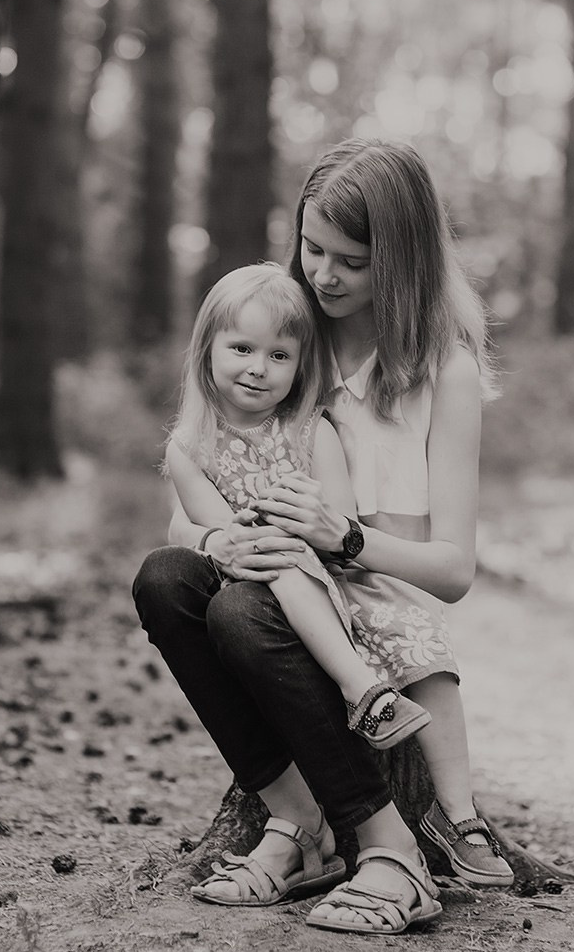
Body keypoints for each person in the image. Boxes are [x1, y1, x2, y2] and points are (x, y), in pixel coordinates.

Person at [133, 137, 510, 935]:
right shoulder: (287, 329)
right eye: (312, 248)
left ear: (401, 260)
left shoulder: (443, 369)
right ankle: (296, 822)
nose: (325, 274)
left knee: (242, 613)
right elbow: (197, 484)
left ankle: (391, 849)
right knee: (166, 576)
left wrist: (343, 537)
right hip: (269, 572)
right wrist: (214, 545)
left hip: (366, 604)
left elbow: (454, 570)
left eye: (352, 260)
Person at [164, 261, 431, 751]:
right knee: (270, 552)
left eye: (279, 355)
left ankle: (364, 692)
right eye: (241, 348)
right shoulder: (188, 448)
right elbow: (222, 531)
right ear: (207, 350)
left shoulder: (312, 430)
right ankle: (362, 690)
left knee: (284, 557)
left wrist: (299, 531)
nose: (258, 367)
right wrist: (250, 536)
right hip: (241, 588)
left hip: (318, 583)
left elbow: (338, 525)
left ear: (299, 367)